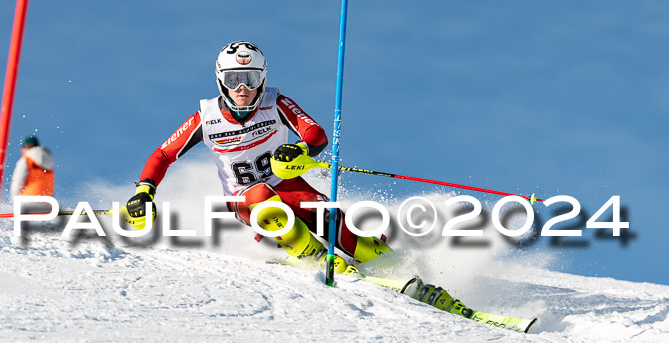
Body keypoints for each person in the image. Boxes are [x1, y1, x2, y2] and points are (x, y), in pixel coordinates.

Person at [124, 41, 470, 318]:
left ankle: (397, 270)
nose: (242, 89)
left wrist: (300, 148)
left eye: (250, 79)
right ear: (220, 81)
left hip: (290, 187)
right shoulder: (207, 117)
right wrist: (144, 191)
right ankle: (315, 255)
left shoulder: (276, 102)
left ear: (262, 78)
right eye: (232, 80)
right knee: (260, 193)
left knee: (340, 223)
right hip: (249, 202)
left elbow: (316, 133)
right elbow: (163, 155)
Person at [10, 135, 55, 199]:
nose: (21, 150)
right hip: (47, 203)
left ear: (30, 145)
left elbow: (18, 181)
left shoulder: (26, 160)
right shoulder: (50, 166)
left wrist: (14, 199)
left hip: (28, 200)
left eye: (23, 146)